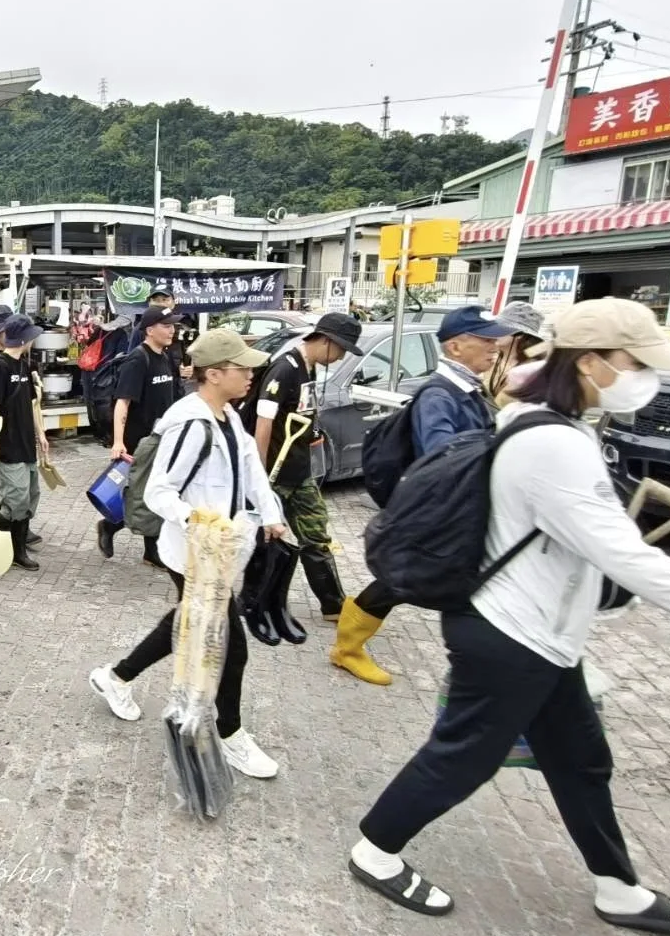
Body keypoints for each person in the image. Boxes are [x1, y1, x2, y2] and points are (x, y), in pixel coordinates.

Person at [348, 298, 670, 936]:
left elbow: (586, 548)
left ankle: (619, 889)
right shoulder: (554, 444)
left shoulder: (550, 421)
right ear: (589, 362)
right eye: (636, 363)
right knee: (465, 756)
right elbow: (632, 560)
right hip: (511, 636)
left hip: (538, 637)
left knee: (581, 760)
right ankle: (374, 847)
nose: (648, 376)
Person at [87, 328, 288, 775]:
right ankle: (232, 733)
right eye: (242, 368)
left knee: (187, 621)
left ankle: (116, 677)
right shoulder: (192, 422)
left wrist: (271, 513)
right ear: (214, 374)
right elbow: (160, 491)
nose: (251, 374)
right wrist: (197, 523)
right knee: (231, 647)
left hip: (222, 551)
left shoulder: (228, 415)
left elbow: (251, 470)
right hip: (197, 552)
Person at [331, 306, 519, 686]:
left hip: (450, 508)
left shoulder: (466, 390)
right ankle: (347, 648)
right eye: (484, 339)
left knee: (406, 581)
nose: (495, 346)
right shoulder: (440, 395)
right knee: (404, 580)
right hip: (437, 509)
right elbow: (443, 456)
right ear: (455, 347)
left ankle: (348, 646)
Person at [250, 311, 363, 624]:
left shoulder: (309, 368)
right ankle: (254, 598)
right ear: (327, 341)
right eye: (341, 350)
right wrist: (259, 475)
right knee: (264, 539)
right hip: (275, 474)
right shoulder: (284, 369)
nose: (340, 358)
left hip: (300, 472)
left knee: (315, 534)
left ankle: (334, 605)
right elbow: (264, 424)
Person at [98, 302, 186, 565]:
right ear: (149, 330)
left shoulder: (166, 356)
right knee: (143, 494)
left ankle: (148, 549)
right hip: (142, 442)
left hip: (165, 439)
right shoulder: (139, 358)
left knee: (156, 493)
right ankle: (112, 527)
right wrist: (118, 441)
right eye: (166, 326)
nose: (172, 331)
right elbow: (122, 402)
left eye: (173, 326)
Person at [0, 313, 47, 572]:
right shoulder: (1, 365)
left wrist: (40, 433)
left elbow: (32, 404)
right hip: (7, 443)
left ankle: (14, 543)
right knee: (17, 498)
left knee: (31, 496)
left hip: (26, 442)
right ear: (23, 339)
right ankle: (10, 544)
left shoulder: (24, 365)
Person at [487, 301, 549, 403]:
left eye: (501, 328)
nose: (495, 332)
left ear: (519, 334)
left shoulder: (532, 370)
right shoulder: (490, 359)